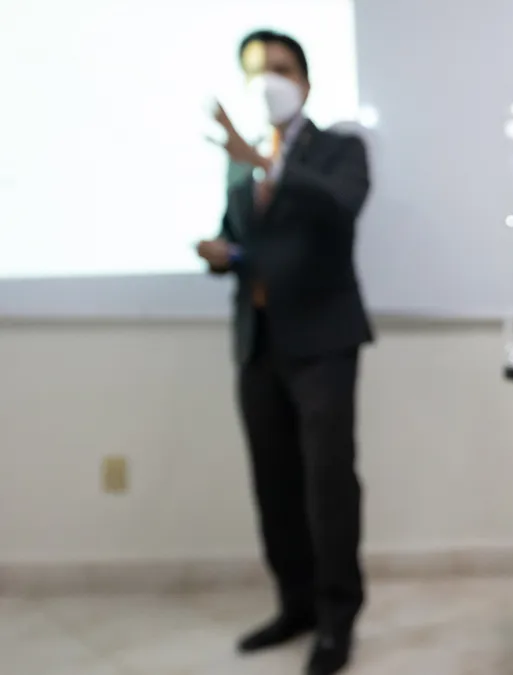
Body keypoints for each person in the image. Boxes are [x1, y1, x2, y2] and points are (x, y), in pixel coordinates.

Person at [195, 29, 372, 675]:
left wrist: (270, 163)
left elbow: (340, 209)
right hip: (258, 341)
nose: (267, 80)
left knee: (328, 484)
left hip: (324, 342)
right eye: (256, 71)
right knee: (274, 485)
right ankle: (295, 603)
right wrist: (222, 253)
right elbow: (242, 237)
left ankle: (336, 616)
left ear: (306, 79)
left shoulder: (338, 148)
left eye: (279, 67)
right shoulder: (241, 160)